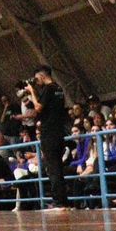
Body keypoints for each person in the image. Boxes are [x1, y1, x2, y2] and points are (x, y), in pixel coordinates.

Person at [20, 65, 69, 211]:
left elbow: (38, 108)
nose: (36, 82)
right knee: (58, 168)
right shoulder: (59, 88)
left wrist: (32, 92)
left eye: (36, 79)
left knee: (52, 168)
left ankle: (58, 202)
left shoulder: (49, 89)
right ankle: (63, 201)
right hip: (59, 132)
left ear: (42, 76)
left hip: (49, 133)